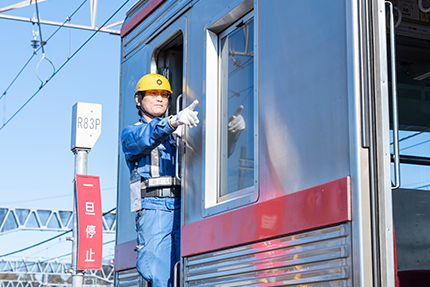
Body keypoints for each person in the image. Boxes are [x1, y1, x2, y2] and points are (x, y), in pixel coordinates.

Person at [121, 74, 199, 287]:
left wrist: (232, 132)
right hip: (154, 208)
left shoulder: (177, 133)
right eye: (153, 93)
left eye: (164, 95)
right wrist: (172, 122)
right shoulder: (131, 133)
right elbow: (146, 137)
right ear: (139, 100)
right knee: (160, 276)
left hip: (186, 206)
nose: (159, 99)